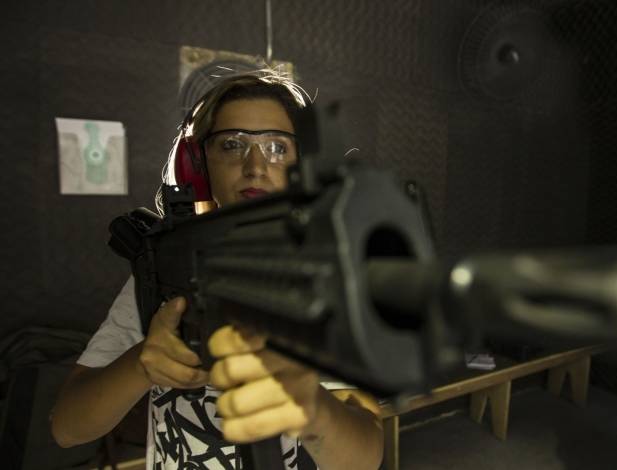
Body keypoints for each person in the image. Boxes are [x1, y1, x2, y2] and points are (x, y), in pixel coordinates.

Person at [51, 69, 384, 470]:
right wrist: (142, 363)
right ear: (197, 165)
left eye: (277, 147)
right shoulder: (163, 272)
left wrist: (310, 406)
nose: (255, 165)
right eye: (232, 144)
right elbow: (67, 428)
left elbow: (365, 457)